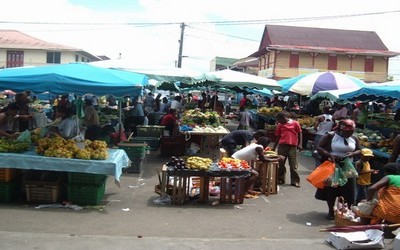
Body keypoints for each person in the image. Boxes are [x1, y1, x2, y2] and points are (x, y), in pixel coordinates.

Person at [315, 119, 362, 220]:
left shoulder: (354, 138)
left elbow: (359, 150)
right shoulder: (330, 135)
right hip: (333, 166)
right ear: (341, 129)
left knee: (347, 190)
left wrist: (352, 154)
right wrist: (330, 155)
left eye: (351, 132)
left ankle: (341, 211)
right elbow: (319, 147)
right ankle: (331, 211)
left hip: (348, 167)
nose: (349, 134)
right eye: (347, 132)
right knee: (332, 190)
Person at [271, 112, 302, 188]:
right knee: (281, 163)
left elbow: (300, 133)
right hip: (282, 146)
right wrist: (274, 147)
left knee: (293, 164)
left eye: (280, 120)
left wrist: (300, 144)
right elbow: (278, 136)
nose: (279, 122)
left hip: (292, 146)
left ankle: (295, 181)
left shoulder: (295, 123)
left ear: (284, 118)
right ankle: (280, 179)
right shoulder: (279, 125)